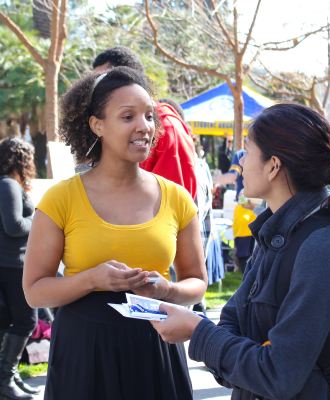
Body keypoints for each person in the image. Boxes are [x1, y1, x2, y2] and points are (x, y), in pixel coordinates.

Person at [149, 103, 330, 400]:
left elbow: (278, 374)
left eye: (247, 151)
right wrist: (223, 343)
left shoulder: (324, 248)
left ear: (273, 165)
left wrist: (198, 331)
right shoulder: (277, 230)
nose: (240, 163)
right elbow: (233, 321)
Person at [22, 67, 207, 400]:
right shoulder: (60, 199)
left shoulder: (177, 198)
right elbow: (35, 292)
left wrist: (166, 288)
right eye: (128, 116)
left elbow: (197, 283)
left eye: (149, 116)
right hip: (83, 354)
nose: (144, 126)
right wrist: (92, 279)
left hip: (156, 351)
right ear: (97, 125)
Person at [93, 46, 197, 200]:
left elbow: (173, 211)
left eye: (102, 80)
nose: (96, 89)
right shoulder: (104, 125)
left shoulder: (167, 127)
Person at [0, 137, 39, 400]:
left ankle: (9, 377)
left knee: (12, 321)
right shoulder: (8, 184)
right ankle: (5, 380)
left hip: (12, 264)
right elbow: (14, 226)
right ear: (21, 158)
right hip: (12, 265)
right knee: (27, 320)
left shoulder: (8, 184)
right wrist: (38, 217)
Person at [213, 149, 256, 274]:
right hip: (264, 208)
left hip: (246, 210)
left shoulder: (241, 154)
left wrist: (210, 178)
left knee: (244, 254)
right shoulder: (271, 149)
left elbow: (231, 177)